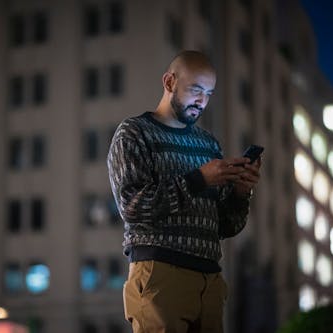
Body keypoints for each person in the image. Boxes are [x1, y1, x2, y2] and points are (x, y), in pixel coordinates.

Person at [107, 50, 261, 333]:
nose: (202, 101)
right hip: (160, 273)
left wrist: (240, 193)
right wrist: (199, 179)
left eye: (209, 93)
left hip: (210, 279)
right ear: (169, 83)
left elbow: (225, 226)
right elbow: (133, 208)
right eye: (195, 90)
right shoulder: (134, 133)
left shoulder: (209, 145)